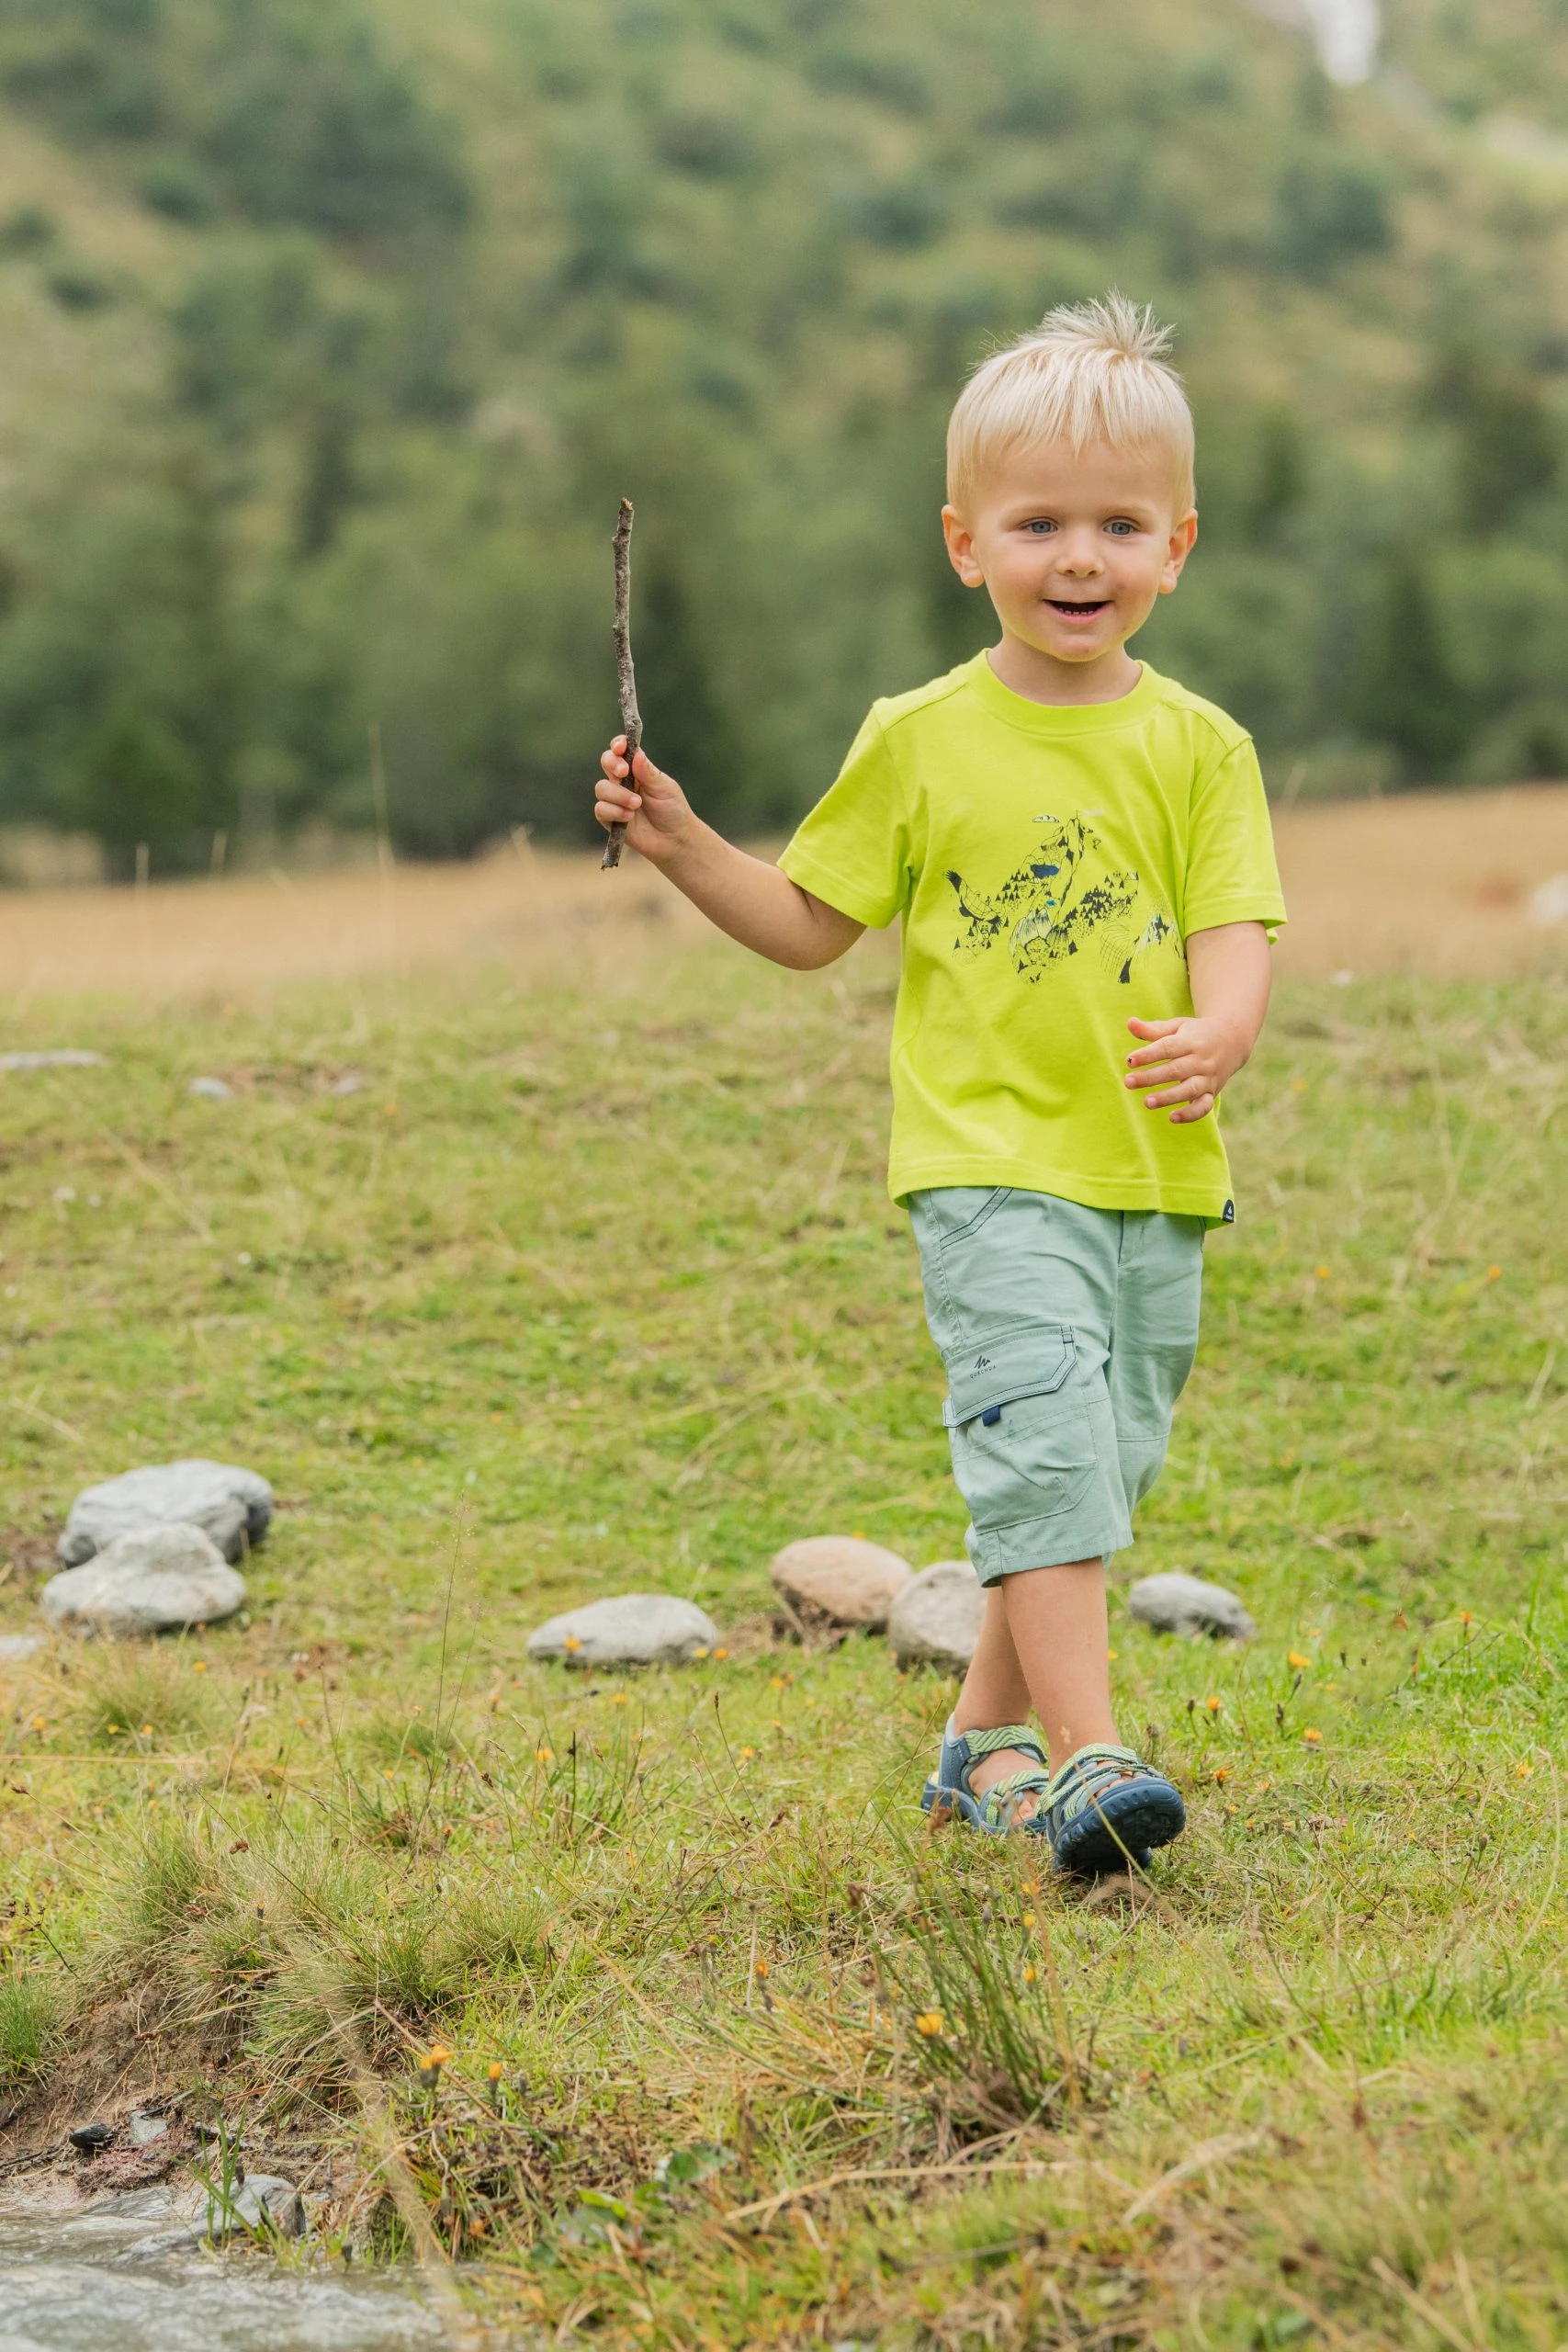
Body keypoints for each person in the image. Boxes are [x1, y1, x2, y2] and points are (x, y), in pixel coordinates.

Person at [594, 293, 1285, 1872]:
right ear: (964, 542)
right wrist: (687, 842)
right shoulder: (916, 738)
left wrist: (1224, 1032)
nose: (1078, 560)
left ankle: (977, 1746)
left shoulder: (1200, 747)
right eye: (1037, 523)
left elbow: (1237, 927)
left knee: (1093, 1471)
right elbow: (809, 925)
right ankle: (1088, 1758)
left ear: (1177, 545)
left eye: (1118, 525)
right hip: (985, 1168)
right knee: (1044, 1450)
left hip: (1153, 1173)